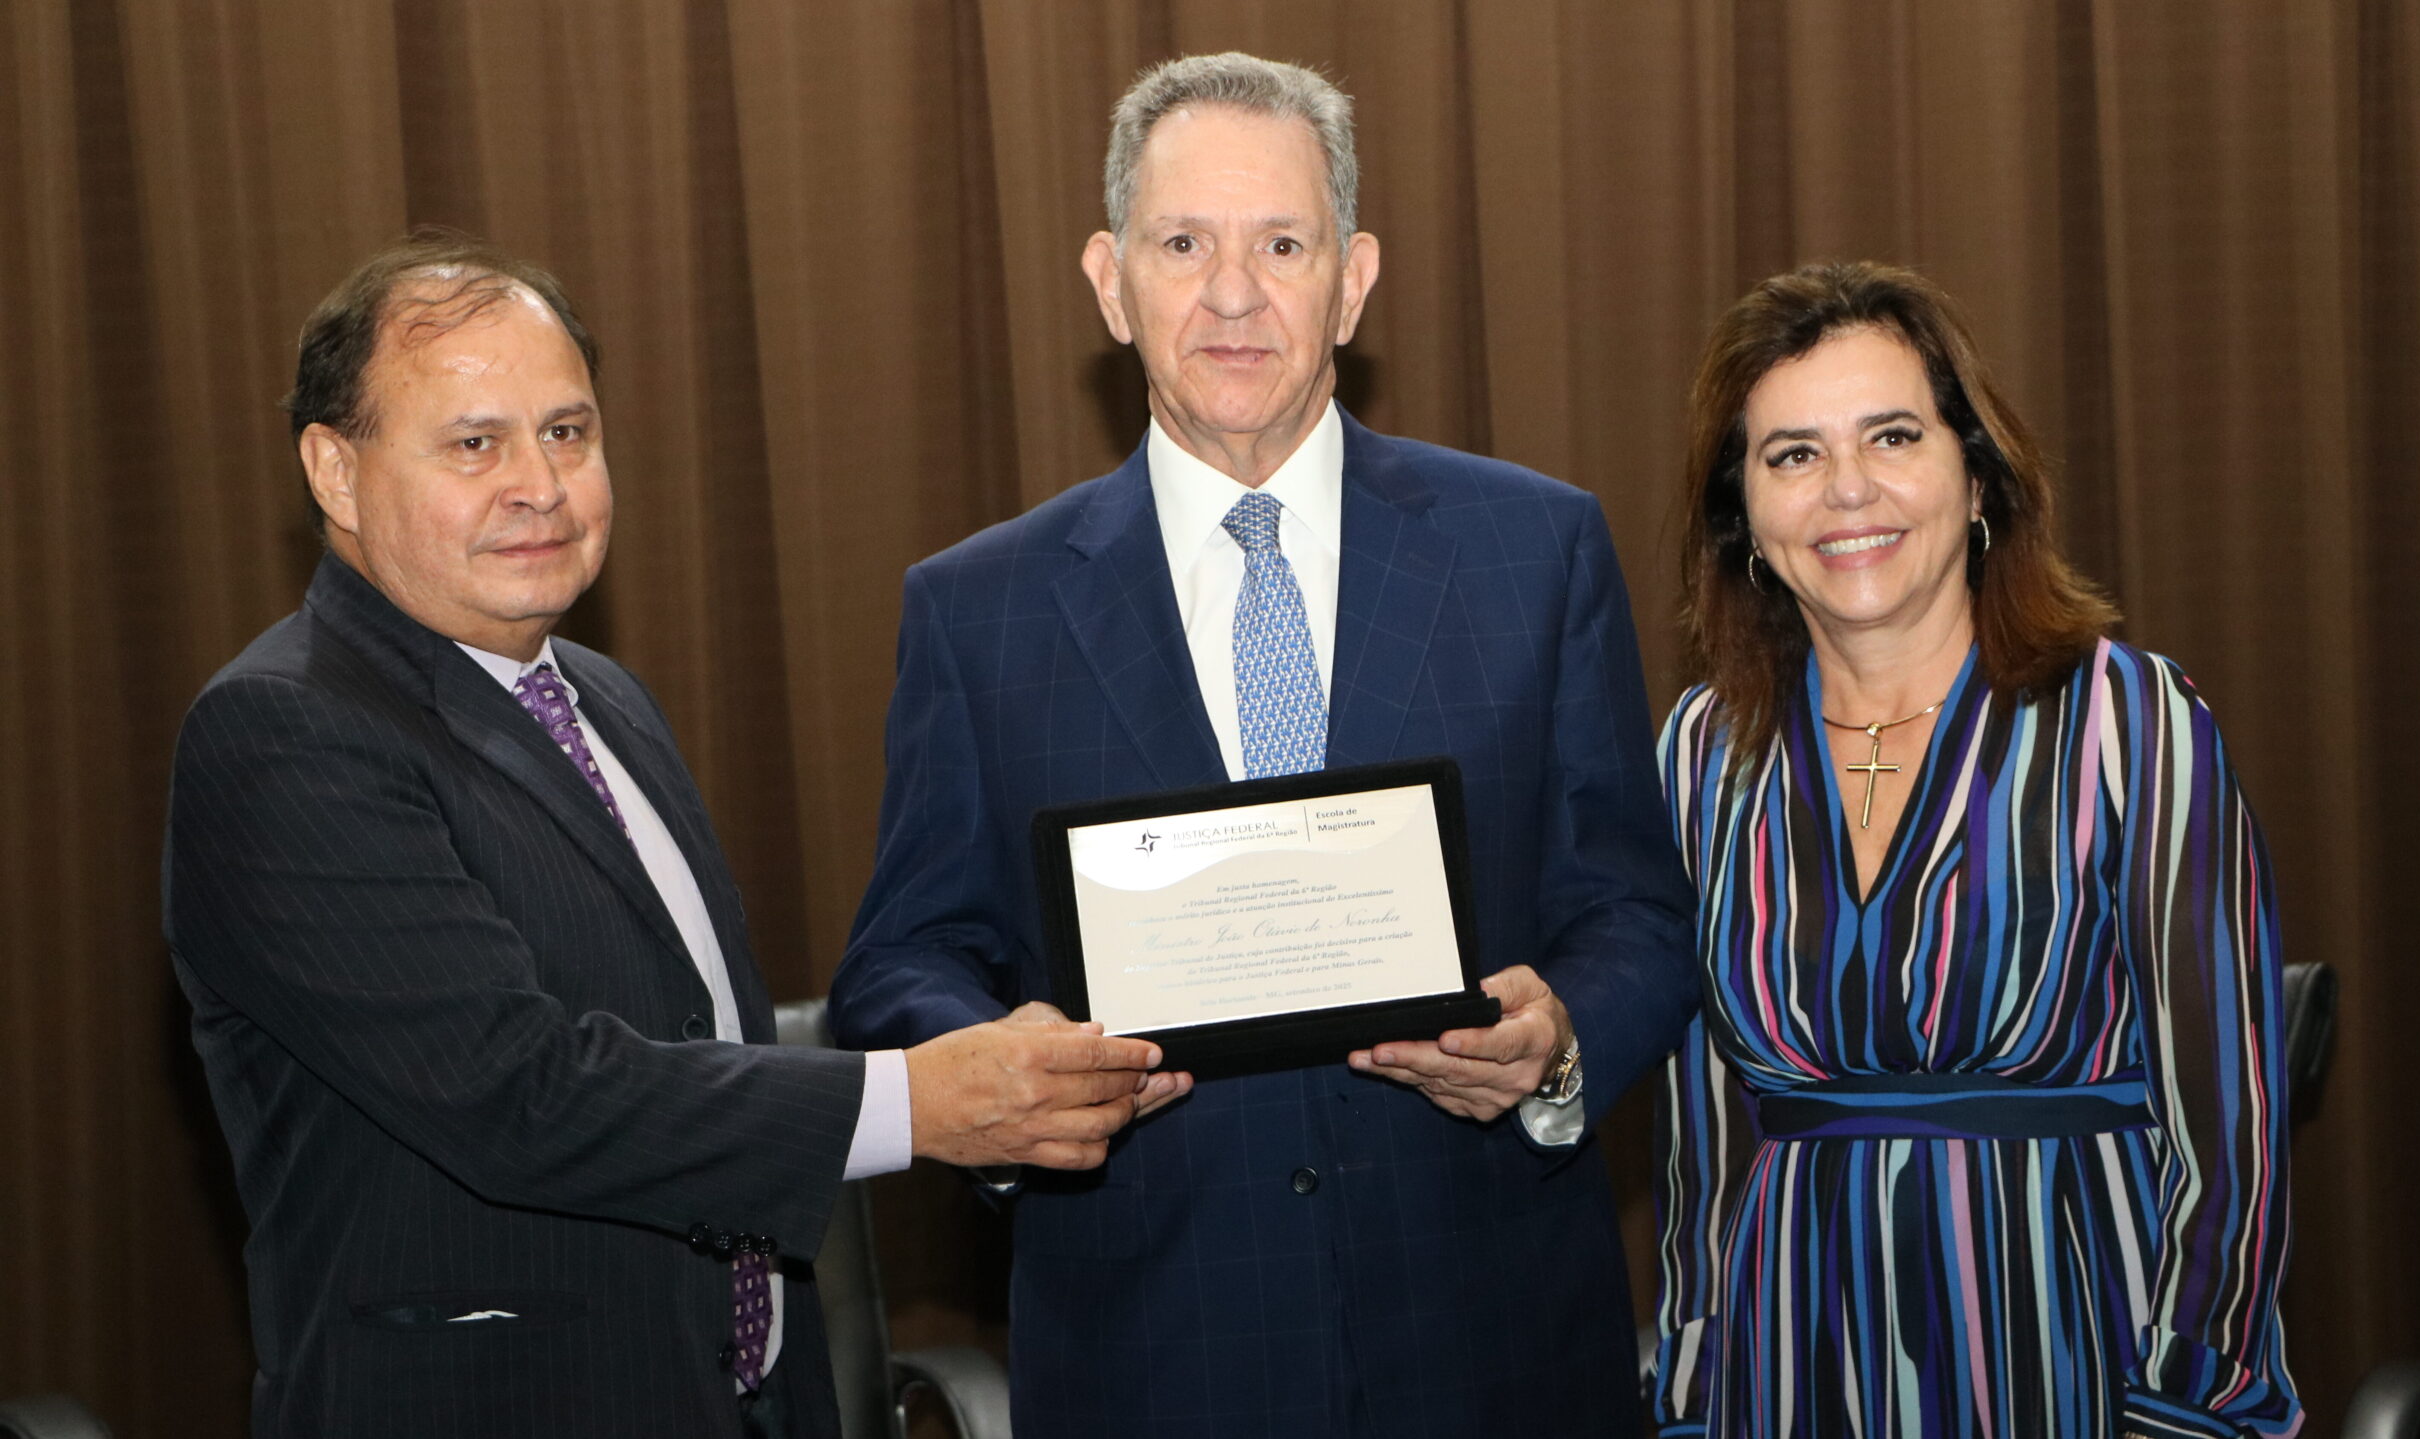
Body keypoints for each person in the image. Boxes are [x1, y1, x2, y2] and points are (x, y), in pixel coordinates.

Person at [164, 233, 1163, 1439]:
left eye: (568, 431)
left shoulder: (602, 699)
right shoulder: (282, 731)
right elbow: (518, 1094)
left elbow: (697, 1044)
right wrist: (917, 1100)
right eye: (475, 443)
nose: (540, 483)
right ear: (334, 470)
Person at [830, 53, 1694, 1439]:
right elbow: (900, 954)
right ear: (1111, 282)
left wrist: (1562, 1036)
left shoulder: (1535, 549)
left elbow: (1638, 908)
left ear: (1352, 279)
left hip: (1495, 1349)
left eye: (1280, 243)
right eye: (1185, 244)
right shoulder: (977, 607)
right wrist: (1005, 1070)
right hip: (1153, 1355)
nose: (1234, 292)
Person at [1649, 260, 2302, 1438]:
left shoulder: (2129, 722)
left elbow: (2230, 1125)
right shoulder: (1703, 752)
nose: (1847, 490)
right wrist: (1693, 1388)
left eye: (1891, 435)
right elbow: (1699, 1124)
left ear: (1977, 473)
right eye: (1791, 454)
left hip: (2070, 1355)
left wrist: (2194, 1404)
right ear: (1741, 513)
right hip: (1786, 1360)